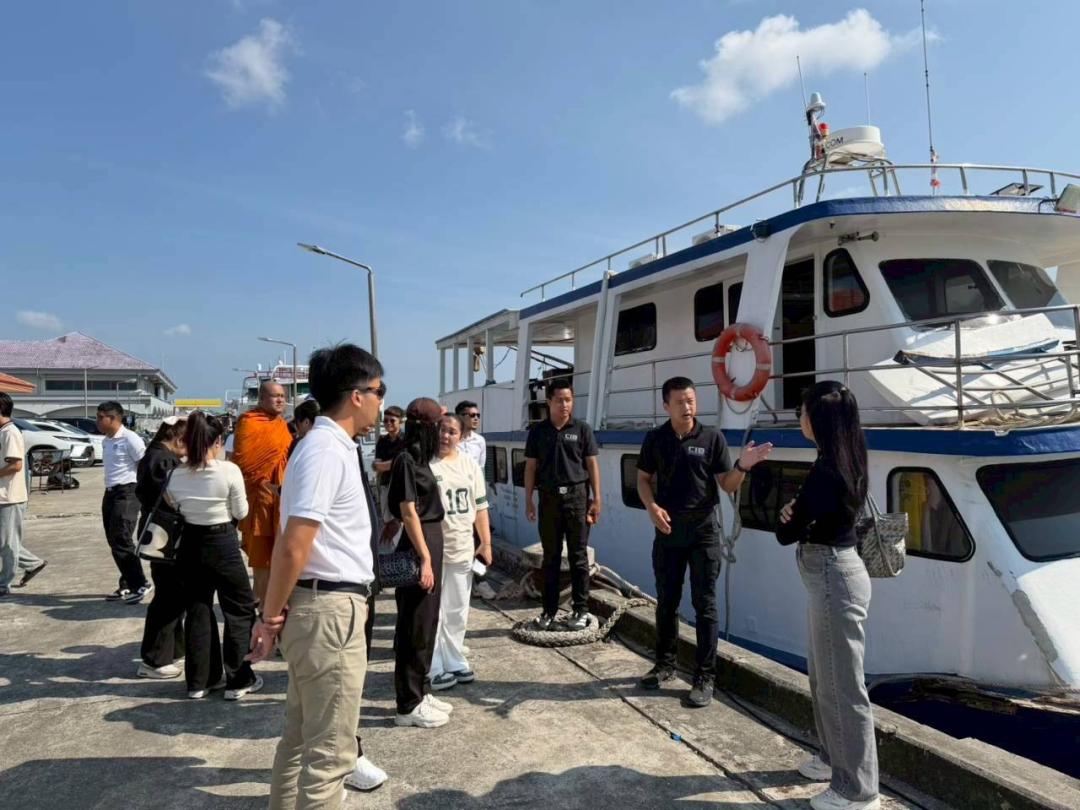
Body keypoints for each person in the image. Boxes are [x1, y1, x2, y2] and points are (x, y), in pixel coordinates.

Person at [246, 344, 383, 808]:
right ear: (357, 396)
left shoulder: (324, 446)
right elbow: (294, 543)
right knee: (331, 757)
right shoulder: (326, 450)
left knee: (301, 737)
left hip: (319, 605)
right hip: (330, 612)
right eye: (379, 390)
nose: (381, 401)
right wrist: (268, 619)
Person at [635, 377, 773, 707]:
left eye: (691, 400)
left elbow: (728, 485)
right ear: (666, 406)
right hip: (668, 531)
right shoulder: (655, 439)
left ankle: (704, 676)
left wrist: (742, 466)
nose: (687, 407)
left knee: (705, 605)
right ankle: (665, 665)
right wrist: (651, 507)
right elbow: (642, 479)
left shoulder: (712, 438)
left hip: (703, 532)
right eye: (680, 402)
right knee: (667, 602)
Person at [777, 381, 879, 810]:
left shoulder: (826, 472)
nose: (799, 418)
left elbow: (786, 532)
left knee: (842, 686)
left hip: (834, 577)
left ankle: (857, 791)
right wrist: (796, 515)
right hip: (833, 574)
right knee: (824, 677)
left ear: (818, 419)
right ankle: (831, 759)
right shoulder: (846, 456)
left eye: (802, 412)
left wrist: (789, 513)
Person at [168, 412, 260, 701]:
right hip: (222, 540)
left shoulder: (175, 474)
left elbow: (175, 505)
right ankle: (238, 680)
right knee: (239, 609)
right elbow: (241, 512)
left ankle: (199, 681)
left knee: (198, 609)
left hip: (190, 543)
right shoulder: (228, 470)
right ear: (218, 441)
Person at [388, 397, 453, 728]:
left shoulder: (421, 459)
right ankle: (408, 703)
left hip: (430, 538)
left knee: (427, 621)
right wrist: (425, 558)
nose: (442, 433)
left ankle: (421, 689)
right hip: (420, 543)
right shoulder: (406, 459)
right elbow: (408, 510)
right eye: (438, 426)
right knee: (413, 624)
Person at [523, 378, 601, 631]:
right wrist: (528, 500)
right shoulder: (538, 432)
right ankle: (549, 610)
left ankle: (580, 609)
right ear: (549, 402)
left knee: (578, 557)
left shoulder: (582, 429)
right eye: (559, 400)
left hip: (577, 499)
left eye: (569, 400)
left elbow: (592, 465)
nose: (565, 405)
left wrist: (597, 499)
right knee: (551, 558)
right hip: (548, 499)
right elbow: (531, 467)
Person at [428, 413, 493, 691]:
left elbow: (481, 507)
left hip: (462, 547)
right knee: (433, 612)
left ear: (460, 435)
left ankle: (454, 659)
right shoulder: (427, 465)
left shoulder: (470, 465)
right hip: (434, 549)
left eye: (452, 432)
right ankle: (433, 666)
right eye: (442, 430)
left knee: (457, 610)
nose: (446, 436)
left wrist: (486, 543)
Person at [134, 416, 187, 679]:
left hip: (164, 532)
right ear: (177, 438)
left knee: (173, 594)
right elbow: (172, 497)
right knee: (168, 596)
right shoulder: (161, 460)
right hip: (164, 534)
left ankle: (173, 649)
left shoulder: (156, 455)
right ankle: (154, 659)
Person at [232, 381, 293, 606]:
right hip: (260, 498)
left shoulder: (282, 425)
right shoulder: (249, 423)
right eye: (275, 396)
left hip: (282, 497)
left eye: (282, 396)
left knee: (282, 552)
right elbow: (243, 464)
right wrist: (266, 485)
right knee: (262, 558)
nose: (280, 400)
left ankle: (277, 601)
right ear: (261, 399)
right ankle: (259, 601)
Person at [96, 400, 151, 604]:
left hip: (128, 492)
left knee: (122, 538)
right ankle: (127, 583)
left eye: (100, 417)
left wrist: (143, 494)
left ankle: (140, 583)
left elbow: (145, 465)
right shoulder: (107, 440)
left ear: (113, 418)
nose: (97, 421)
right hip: (110, 492)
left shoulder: (130, 439)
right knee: (114, 540)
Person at [1, 394, 46, 596]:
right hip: (3, 495)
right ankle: (33, 563)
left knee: (7, 543)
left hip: (10, 497)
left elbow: (16, 465)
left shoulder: (10, 433)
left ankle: (4, 583)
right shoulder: (3, 432)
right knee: (5, 541)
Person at [373, 405, 406, 544]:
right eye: (385, 420)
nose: (388, 423)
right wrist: (396, 463)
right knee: (387, 520)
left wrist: (386, 465)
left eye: (392, 420)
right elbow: (376, 466)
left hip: (402, 487)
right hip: (386, 486)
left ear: (401, 421)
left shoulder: (406, 440)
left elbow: (406, 463)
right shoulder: (382, 441)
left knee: (402, 520)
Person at [455, 400, 486, 471]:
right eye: (472, 415)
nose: (476, 418)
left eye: (478, 415)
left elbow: (481, 469)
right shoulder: (451, 440)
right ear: (460, 417)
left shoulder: (480, 440)